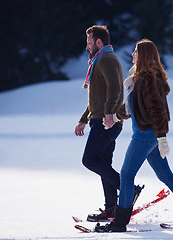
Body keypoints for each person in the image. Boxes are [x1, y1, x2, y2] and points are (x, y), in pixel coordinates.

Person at [101, 39, 173, 232]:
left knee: (126, 175)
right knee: (165, 175)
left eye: (136, 52)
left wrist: (162, 137)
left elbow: (158, 111)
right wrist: (116, 117)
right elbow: (134, 107)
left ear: (144, 56)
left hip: (144, 136)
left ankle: (119, 223)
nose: (132, 54)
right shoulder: (140, 79)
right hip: (149, 136)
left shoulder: (149, 79)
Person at [74, 25, 125, 222]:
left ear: (98, 42)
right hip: (100, 119)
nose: (86, 47)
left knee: (90, 160)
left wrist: (110, 113)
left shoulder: (107, 59)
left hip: (106, 121)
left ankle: (128, 189)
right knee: (103, 163)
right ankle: (111, 208)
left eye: (89, 42)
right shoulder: (99, 60)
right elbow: (96, 98)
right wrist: (83, 119)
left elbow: (115, 88)